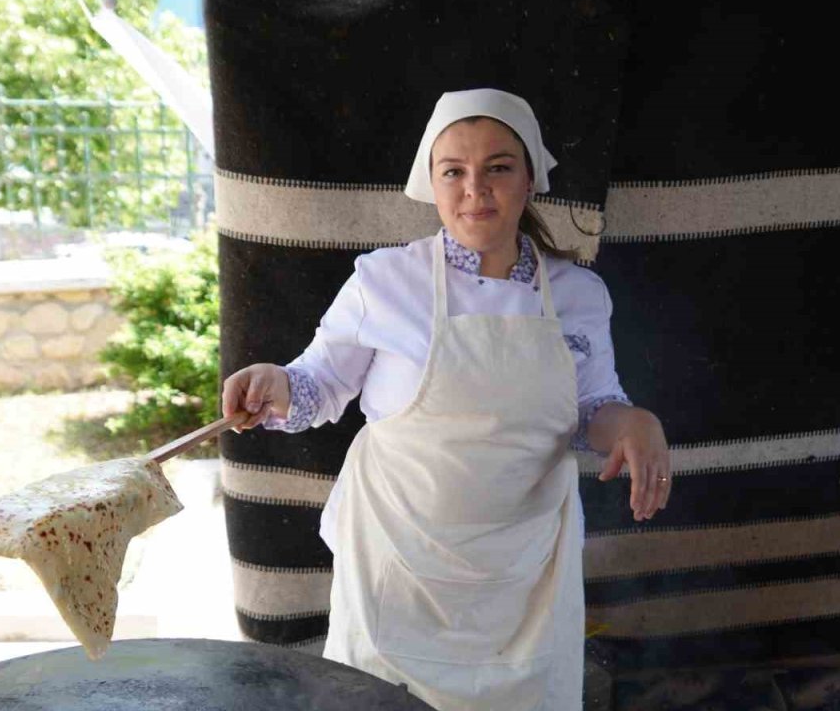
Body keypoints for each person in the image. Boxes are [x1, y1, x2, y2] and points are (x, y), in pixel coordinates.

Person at [221, 88, 670, 711]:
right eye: (453, 171)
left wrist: (634, 423)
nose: (474, 189)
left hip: (525, 579)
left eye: (498, 168)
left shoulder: (577, 294)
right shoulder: (384, 281)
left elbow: (594, 409)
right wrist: (276, 382)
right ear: (431, 183)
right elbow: (317, 385)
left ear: (530, 178)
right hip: (397, 566)